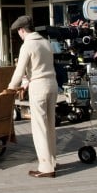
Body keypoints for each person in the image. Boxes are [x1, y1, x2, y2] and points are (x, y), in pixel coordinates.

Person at [8, 15, 58, 178]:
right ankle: (52, 160)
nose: (19, 35)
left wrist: (11, 87)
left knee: (39, 127)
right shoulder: (45, 42)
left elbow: (19, 70)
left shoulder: (27, 45)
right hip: (52, 83)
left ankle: (45, 166)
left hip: (38, 86)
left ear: (22, 30)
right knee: (50, 125)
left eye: (19, 32)